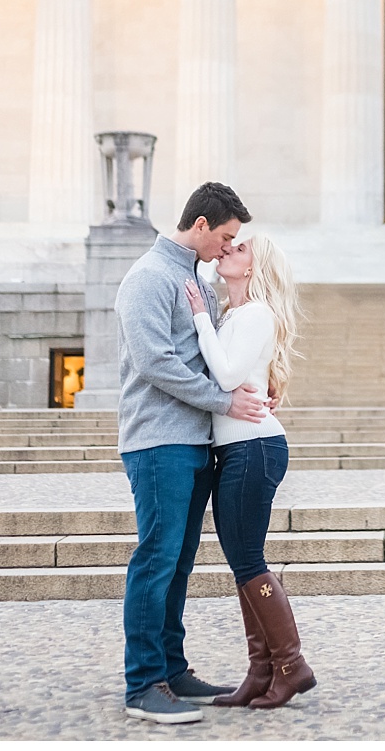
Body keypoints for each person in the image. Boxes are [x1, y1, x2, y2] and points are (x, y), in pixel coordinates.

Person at [114, 182, 272, 725]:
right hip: (158, 441)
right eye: (225, 236)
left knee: (178, 563)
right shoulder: (148, 278)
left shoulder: (193, 278)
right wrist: (225, 401)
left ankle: (172, 669)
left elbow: (212, 356)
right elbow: (156, 363)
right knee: (156, 559)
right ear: (201, 225)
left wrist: (252, 388)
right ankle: (142, 685)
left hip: (194, 442)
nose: (226, 248)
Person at [186, 225, 316, 709]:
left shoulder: (256, 313)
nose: (226, 251)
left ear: (254, 266)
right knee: (244, 562)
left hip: (254, 448)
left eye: (237, 248)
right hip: (239, 449)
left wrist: (200, 317)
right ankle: (261, 671)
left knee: (248, 562)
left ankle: (291, 665)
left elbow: (226, 375)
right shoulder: (236, 314)